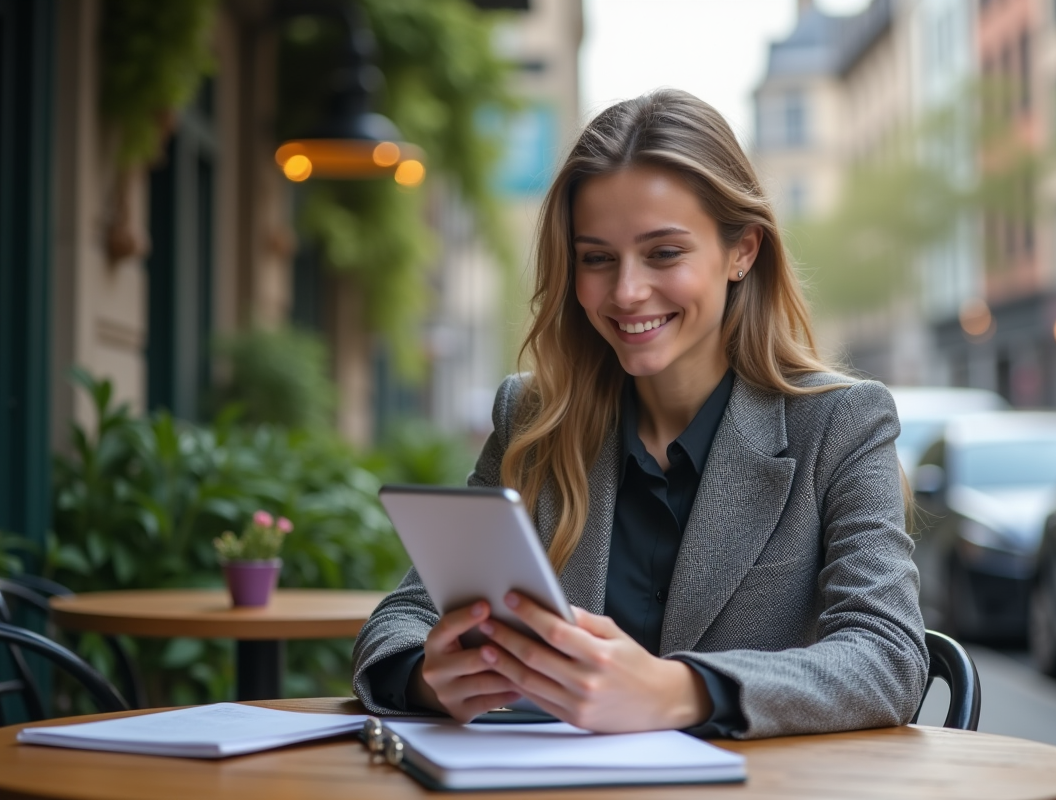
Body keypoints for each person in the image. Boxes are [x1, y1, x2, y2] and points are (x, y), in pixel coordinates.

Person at [353, 89, 928, 739]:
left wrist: (680, 691)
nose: (626, 292)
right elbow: (402, 619)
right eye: (597, 258)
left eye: (664, 253)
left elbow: (888, 656)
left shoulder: (841, 424)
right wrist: (428, 677)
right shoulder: (534, 419)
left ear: (743, 251)